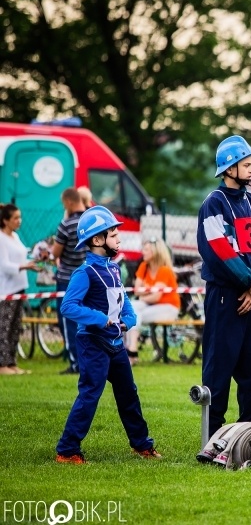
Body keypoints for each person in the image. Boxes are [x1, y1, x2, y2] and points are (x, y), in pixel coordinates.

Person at [55, 206, 161, 463]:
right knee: (90, 394)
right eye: (114, 234)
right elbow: (68, 306)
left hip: (116, 345)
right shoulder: (84, 273)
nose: (119, 239)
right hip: (92, 343)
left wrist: (130, 317)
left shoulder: (113, 269)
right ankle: (67, 450)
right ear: (97, 240)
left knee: (129, 394)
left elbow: (122, 300)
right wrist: (100, 319)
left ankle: (141, 445)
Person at [197, 135, 251, 436]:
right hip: (226, 297)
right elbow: (218, 251)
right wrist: (248, 284)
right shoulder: (214, 203)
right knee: (219, 367)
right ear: (230, 168)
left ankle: (248, 432)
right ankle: (213, 435)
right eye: (247, 164)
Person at [126, 237, 180, 364]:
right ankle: (131, 349)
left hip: (168, 307)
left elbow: (156, 297)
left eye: (146, 250)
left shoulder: (164, 270)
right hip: (150, 305)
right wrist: (148, 291)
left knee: (135, 313)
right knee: (130, 308)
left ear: (155, 252)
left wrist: (144, 293)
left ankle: (131, 351)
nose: (143, 252)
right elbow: (137, 290)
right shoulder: (144, 266)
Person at [0, 204, 39, 375]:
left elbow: (23, 254)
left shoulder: (15, 236)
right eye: (15, 218)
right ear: (5, 220)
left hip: (19, 288)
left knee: (15, 327)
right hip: (6, 290)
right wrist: (25, 266)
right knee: (4, 328)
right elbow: (4, 265)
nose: (19, 221)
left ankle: (12, 363)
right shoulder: (1, 238)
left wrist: (37, 259)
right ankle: (2, 366)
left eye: (19, 217)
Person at [53, 188, 87, 374]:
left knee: (69, 321)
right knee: (88, 319)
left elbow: (56, 253)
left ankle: (76, 363)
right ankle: (90, 360)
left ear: (69, 202)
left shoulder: (66, 224)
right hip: (90, 277)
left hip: (68, 279)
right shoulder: (93, 222)